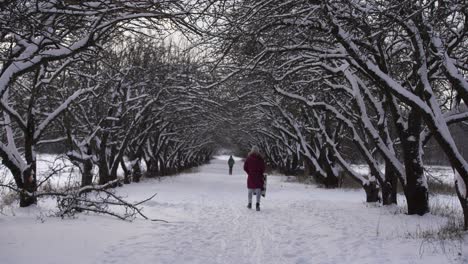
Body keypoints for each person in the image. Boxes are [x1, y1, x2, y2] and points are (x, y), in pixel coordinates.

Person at [243, 146, 265, 211]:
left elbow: (245, 167)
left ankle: (249, 203)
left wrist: (249, 172)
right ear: (258, 151)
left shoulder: (248, 158)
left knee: (250, 191)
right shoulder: (260, 159)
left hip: (251, 176)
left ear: (251, 151)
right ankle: (257, 205)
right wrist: (260, 173)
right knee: (258, 191)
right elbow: (263, 168)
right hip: (258, 176)